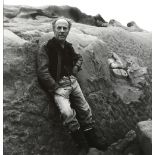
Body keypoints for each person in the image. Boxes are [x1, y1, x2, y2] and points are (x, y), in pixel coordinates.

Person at [37, 17, 108, 153]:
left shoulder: (68, 46)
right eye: (59, 28)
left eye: (65, 28)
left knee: (85, 109)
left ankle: (92, 139)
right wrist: (56, 88)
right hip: (59, 86)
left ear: (68, 30)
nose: (62, 31)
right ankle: (81, 143)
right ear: (54, 29)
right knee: (67, 113)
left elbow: (78, 58)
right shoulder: (46, 47)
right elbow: (42, 71)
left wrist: (75, 68)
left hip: (72, 82)